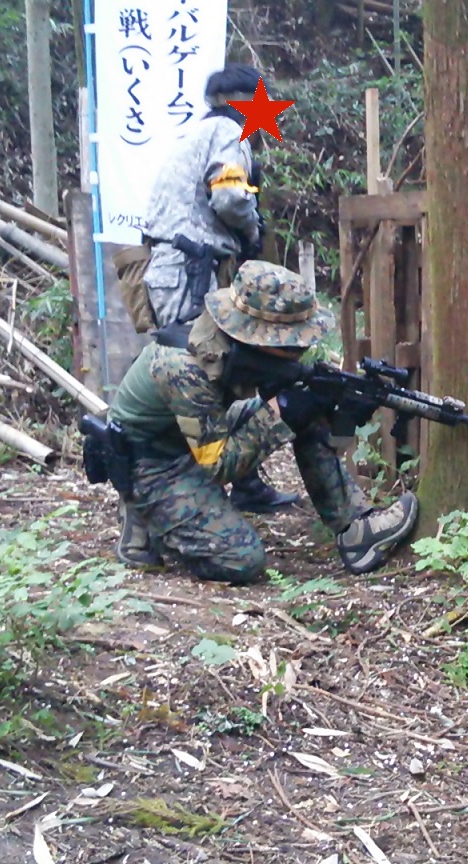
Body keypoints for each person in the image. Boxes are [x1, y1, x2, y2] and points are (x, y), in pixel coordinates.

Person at [106, 259, 419, 585]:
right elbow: (218, 465)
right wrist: (281, 412)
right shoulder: (184, 366)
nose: (300, 350)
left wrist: (343, 418)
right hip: (152, 461)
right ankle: (145, 518)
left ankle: (355, 530)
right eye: (291, 342)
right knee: (242, 559)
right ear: (259, 339)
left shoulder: (236, 348)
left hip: (192, 435)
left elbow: (323, 435)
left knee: (307, 402)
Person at [110, 62, 299, 563]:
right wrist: (252, 229)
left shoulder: (199, 133)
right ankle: (153, 501)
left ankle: (242, 484)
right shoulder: (227, 134)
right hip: (189, 269)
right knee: (202, 372)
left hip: (179, 266)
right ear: (248, 102)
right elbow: (230, 197)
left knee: (214, 373)